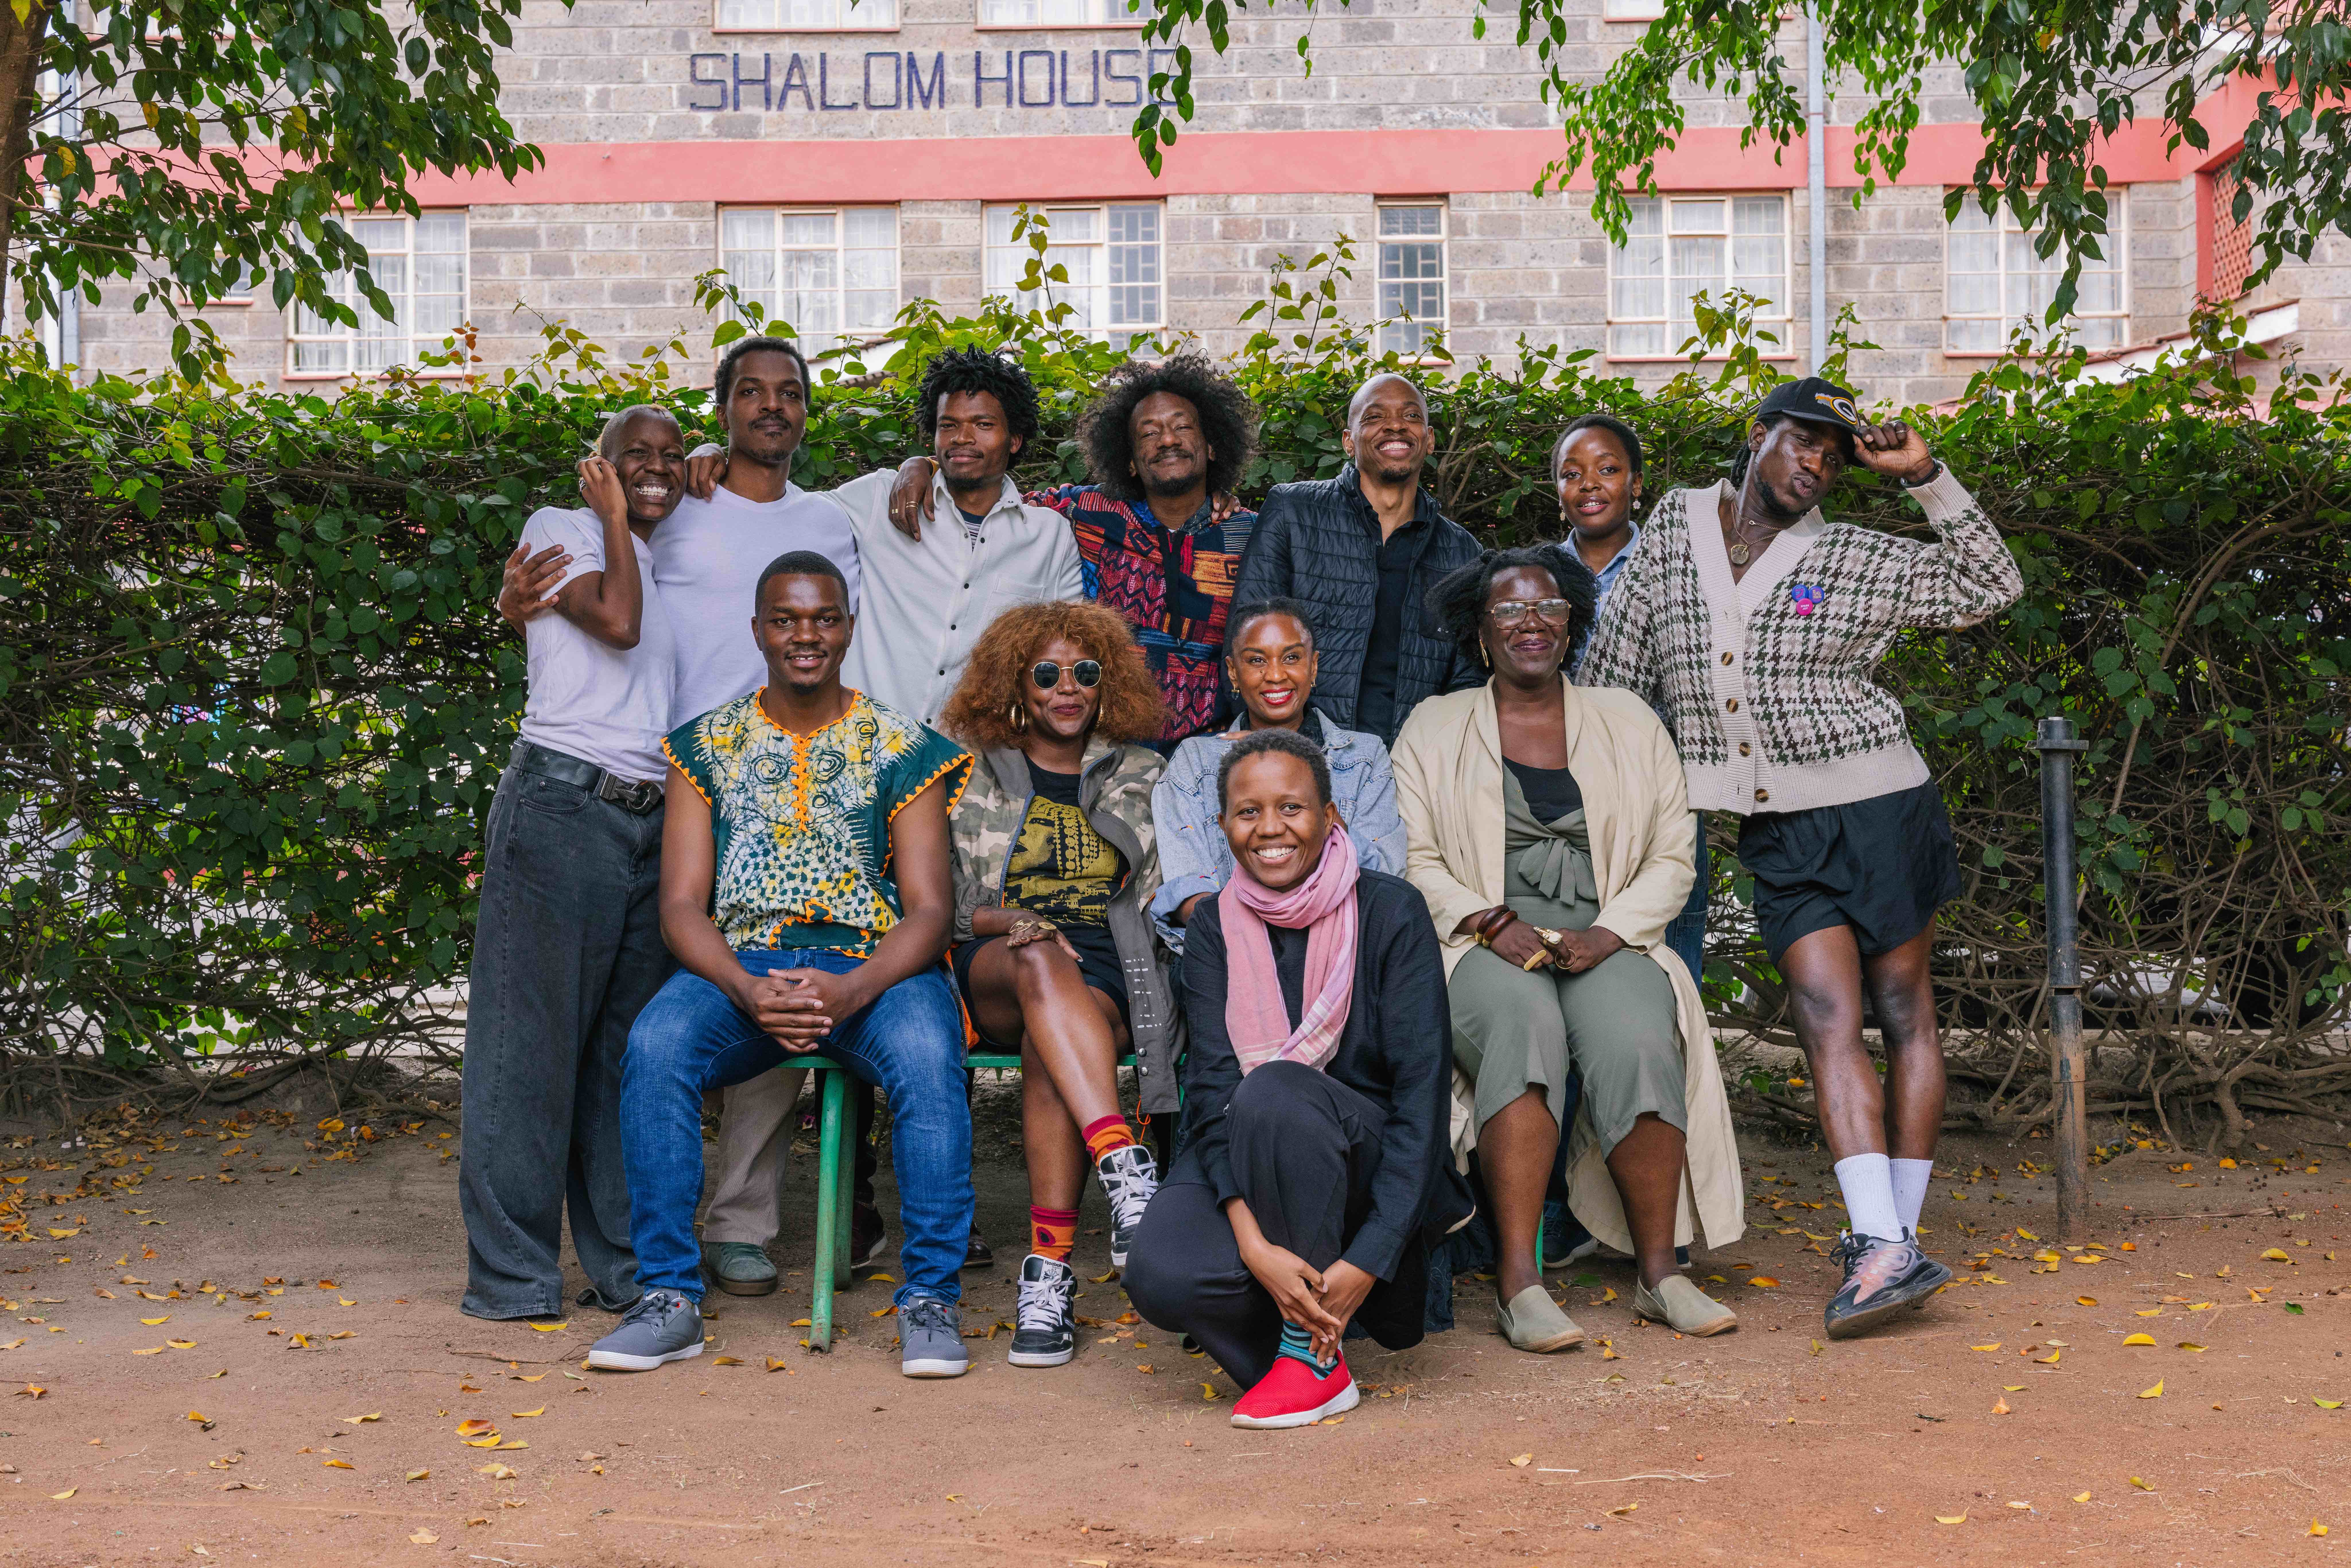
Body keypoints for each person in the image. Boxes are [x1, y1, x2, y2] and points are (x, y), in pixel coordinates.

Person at [1578, 377, 2023, 1339]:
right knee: (1826, 1015)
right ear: (1758, 436)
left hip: (1882, 806)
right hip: (1776, 827)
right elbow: (1616, 672)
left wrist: (1925, 475)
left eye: (1833, 453)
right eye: (1801, 440)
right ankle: (1884, 1244)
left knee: (1904, 1012)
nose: (1815, 462)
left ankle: (1888, 1238)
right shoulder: (1675, 526)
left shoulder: (1852, 555)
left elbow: (1993, 585)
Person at [498, 339, 885, 1301]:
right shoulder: (675, 502)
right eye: (751, 392)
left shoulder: (832, 520)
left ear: (808, 412)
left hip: (777, 795)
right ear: (721, 410)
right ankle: (628, 1242)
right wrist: (513, 603)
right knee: (641, 1024)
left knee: (771, 981)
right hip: (661, 786)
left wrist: (920, 462)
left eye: (789, 393)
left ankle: (739, 1223)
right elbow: (587, 594)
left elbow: (919, 503)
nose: (772, 407)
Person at [587, 551, 977, 1379]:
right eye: (787, 619)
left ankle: (931, 1300)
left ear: (848, 627)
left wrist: (853, 988)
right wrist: (747, 988)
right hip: (745, 966)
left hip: (874, 968)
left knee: (928, 1055)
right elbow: (681, 906)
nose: (807, 635)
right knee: (656, 1047)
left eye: (824, 618)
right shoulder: (705, 747)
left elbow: (929, 912)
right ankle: (669, 1298)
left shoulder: (901, 745)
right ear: (759, 629)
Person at [1393, 544, 1746, 1352]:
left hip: (1608, 937)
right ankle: (1520, 1283)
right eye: (1510, 609)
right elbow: (1410, 853)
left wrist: (1609, 933)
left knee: (1640, 1037)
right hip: (1480, 944)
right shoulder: (1434, 725)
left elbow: (1673, 854)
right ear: (1481, 631)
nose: (1532, 623)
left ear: (1573, 622)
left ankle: (1659, 1273)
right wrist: (1488, 921)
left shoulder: (1629, 720)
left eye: (1549, 607)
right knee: (1525, 1029)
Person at [1124, 729, 1466, 1429]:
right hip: (1249, 1151)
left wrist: (1369, 1257)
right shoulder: (1215, 927)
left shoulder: (1392, 910)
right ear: (1224, 826)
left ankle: (1308, 1361)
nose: (1270, 828)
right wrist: (1253, 1245)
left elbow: (1421, 1101)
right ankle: (1308, 1344)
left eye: (1292, 807)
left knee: (1276, 1088)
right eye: (1248, 812)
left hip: (1366, 1165)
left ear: (1330, 815)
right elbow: (1212, 1096)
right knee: (1160, 1273)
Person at [459, 407, 687, 1322]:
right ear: (598, 467)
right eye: (635, 456)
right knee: (526, 1048)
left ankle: (623, 1268)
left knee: (620, 1058)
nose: (657, 468)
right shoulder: (559, 528)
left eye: (672, 456)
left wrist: (680, 481)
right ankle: (511, 1278)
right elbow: (619, 625)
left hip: (650, 820)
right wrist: (616, 516)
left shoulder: (654, 554)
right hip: (562, 805)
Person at [938, 602, 1175, 1368]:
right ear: (1018, 683)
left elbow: (1161, 894)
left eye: (1085, 672)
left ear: (1108, 683)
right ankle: (1122, 1161)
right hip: (998, 960)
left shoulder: (1143, 772)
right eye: (1047, 674)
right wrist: (1017, 921)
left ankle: (1048, 1280)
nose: (1066, 688)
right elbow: (945, 904)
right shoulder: (972, 769)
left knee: (1054, 1049)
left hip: (1108, 968)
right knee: (1038, 955)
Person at [887, 350, 1260, 748]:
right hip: (1107, 755)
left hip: (1217, 750)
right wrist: (924, 465)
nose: (1168, 440)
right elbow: (988, 498)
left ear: (1212, 446)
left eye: (1182, 427)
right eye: (1149, 433)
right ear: (1130, 462)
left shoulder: (1250, 535)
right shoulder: (1086, 513)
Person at [1232, 372, 1484, 744]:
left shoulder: (1463, 552)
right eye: (1375, 417)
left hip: (1414, 762)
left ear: (1429, 440)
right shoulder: (1293, 512)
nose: (1395, 426)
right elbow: (1246, 637)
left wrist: (1434, 755)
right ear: (1348, 442)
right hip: (1303, 754)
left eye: (1411, 416)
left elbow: (1468, 678)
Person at [1149, 597, 1407, 950]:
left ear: (1313, 666)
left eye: (1291, 658)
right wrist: (1268, 943)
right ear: (1233, 672)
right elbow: (1189, 891)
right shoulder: (1196, 762)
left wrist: (1293, 769)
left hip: (1342, 951)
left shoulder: (1363, 757)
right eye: (1256, 660)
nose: (1274, 675)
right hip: (1232, 953)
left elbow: (1383, 880)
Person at [1553, 414, 1708, 995]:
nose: (1589, 484)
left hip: (1659, 797)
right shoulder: (1534, 577)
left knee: (1668, 958)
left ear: (1636, 484)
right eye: (1572, 474)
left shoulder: (1683, 573)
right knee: (1563, 956)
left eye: (1608, 469)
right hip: (1556, 802)